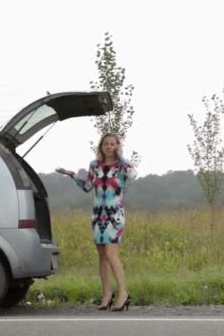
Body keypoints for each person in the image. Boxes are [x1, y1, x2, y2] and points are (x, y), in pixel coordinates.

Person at [56, 132, 137, 312]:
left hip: (114, 214)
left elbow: (133, 175)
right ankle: (107, 295)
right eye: (106, 144)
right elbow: (87, 187)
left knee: (111, 253)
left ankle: (123, 294)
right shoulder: (94, 165)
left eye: (112, 144)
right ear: (101, 146)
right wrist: (71, 175)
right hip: (97, 215)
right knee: (101, 255)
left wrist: (121, 157)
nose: (109, 146)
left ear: (117, 146)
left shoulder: (122, 166)